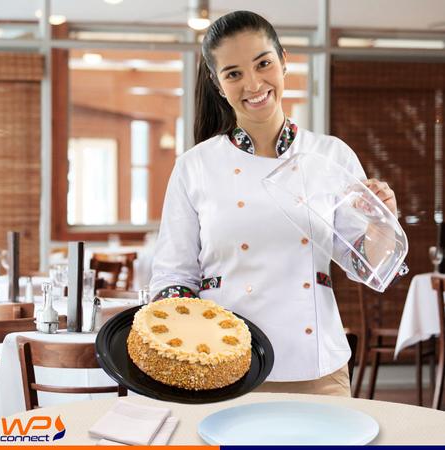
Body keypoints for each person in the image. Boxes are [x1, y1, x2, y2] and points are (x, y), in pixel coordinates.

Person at [149, 10, 406, 396]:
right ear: (218, 85)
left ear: (284, 61)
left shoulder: (330, 156)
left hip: (317, 367)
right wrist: (184, 343)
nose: (253, 84)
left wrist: (384, 220)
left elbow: (367, 264)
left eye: (263, 64)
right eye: (233, 73)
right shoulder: (194, 167)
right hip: (223, 367)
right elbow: (172, 278)